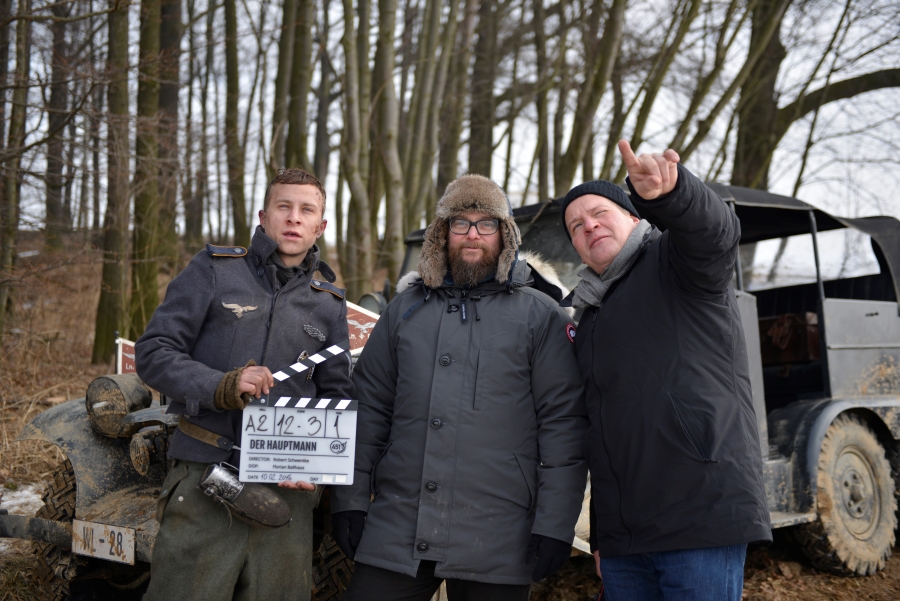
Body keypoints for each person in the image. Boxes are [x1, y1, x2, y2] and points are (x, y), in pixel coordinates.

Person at [330, 174, 588, 601]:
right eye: (460, 223)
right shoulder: (404, 312)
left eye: (486, 223)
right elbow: (366, 411)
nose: (473, 234)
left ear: (505, 234)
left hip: (500, 535)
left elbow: (564, 427)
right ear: (440, 233)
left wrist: (555, 524)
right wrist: (350, 500)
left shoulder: (541, 316)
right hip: (399, 527)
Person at [560, 140, 772, 601]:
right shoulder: (588, 315)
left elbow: (714, 233)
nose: (589, 225)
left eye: (599, 213)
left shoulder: (676, 264)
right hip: (624, 539)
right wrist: (605, 536)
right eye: (576, 226)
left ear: (634, 217)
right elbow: (599, 430)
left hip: (699, 516)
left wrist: (672, 194)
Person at [135, 168, 353, 601]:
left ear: (320, 226)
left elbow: (337, 398)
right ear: (263, 216)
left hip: (286, 500)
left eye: (306, 210)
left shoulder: (328, 304)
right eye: (283, 207)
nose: (294, 218)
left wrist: (317, 470)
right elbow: (154, 353)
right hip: (204, 482)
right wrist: (222, 384)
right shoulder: (214, 271)